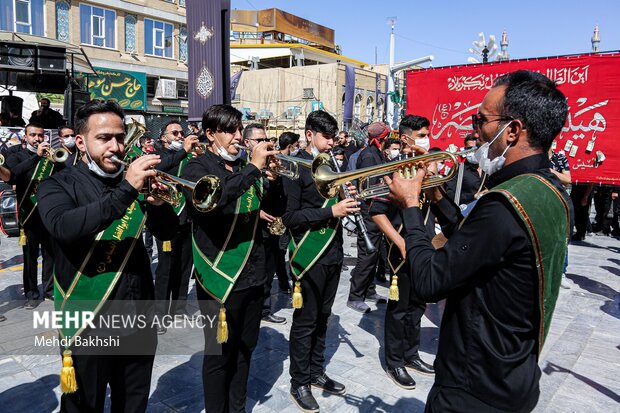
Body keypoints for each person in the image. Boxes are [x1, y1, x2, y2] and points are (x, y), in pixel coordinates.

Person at [386, 70, 571, 412]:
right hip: (512, 375)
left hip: (473, 388)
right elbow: (478, 240)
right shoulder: (548, 190)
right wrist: (437, 194)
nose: (474, 129)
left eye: (481, 119)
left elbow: (428, 281)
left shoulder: (503, 205)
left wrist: (411, 205)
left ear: (513, 131)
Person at [37, 99, 179, 412]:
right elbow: (63, 226)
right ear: (81, 142)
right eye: (104, 138)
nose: (115, 146)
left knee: (133, 403)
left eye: (119, 137)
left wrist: (158, 205)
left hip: (138, 315)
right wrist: (127, 189)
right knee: (84, 405)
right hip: (88, 319)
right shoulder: (56, 184)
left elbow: (168, 233)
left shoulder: (132, 182)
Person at [182, 104, 284, 413]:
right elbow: (216, 202)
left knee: (245, 349)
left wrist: (275, 179)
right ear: (211, 134)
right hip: (219, 276)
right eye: (230, 130)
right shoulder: (196, 167)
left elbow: (275, 208)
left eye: (239, 130)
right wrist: (253, 169)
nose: (238, 136)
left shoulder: (243, 169)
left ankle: (237, 408)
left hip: (253, 272)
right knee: (218, 356)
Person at [283, 110, 359, 412]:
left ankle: (316, 372)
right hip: (308, 254)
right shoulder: (295, 166)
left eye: (333, 137)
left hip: (332, 252)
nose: (332, 143)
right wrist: (332, 211)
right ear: (310, 134)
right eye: (327, 137)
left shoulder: (332, 163)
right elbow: (290, 218)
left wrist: (351, 196)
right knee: (305, 322)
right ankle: (299, 381)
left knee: (324, 318)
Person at [369, 136, 435, 390]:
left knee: (417, 307)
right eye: (420, 135)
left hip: (425, 249)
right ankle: (394, 361)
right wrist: (400, 242)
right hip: (402, 253)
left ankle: (411, 354)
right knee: (399, 310)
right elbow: (376, 211)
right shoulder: (396, 174)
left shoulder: (424, 173)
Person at [152, 120, 198, 334]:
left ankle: (178, 308)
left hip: (187, 217)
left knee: (184, 265)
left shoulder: (188, 156)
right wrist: (184, 152)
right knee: (165, 269)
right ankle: (160, 314)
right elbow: (160, 168)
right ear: (164, 137)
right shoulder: (157, 154)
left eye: (182, 133)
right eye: (175, 133)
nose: (180, 136)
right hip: (166, 221)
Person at [3, 123, 56, 308]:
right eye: (33, 135)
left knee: (51, 255)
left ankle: (49, 291)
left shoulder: (50, 156)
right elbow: (13, 176)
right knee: (30, 257)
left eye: (40, 135)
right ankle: (32, 294)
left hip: (48, 214)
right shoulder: (17, 156)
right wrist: (36, 158)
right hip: (29, 214)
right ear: (25, 136)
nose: (37, 138)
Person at [241, 123, 288, 325]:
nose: (265, 143)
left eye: (266, 139)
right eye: (259, 140)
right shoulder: (241, 166)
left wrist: (277, 180)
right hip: (248, 228)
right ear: (247, 143)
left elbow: (281, 199)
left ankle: (265, 309)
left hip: (270, 228)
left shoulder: (272, 164)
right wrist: (256, 211)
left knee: (268, 271)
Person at [346, 122, 391, 313]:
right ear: (383, 138)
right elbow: (369, 186)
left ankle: (369, 290)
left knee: (374, 253)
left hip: (378, 209)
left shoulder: (377, 153)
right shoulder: (369, 156)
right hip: (370, 211)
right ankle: (355, 296)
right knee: (366, 255)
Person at [444, 134, 483, 207]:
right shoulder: (458, 169)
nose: (473, 152)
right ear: (465, 150)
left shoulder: (488, 169)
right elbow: (450, 193)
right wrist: (473, 197)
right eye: (469, 149)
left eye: (475, 148)